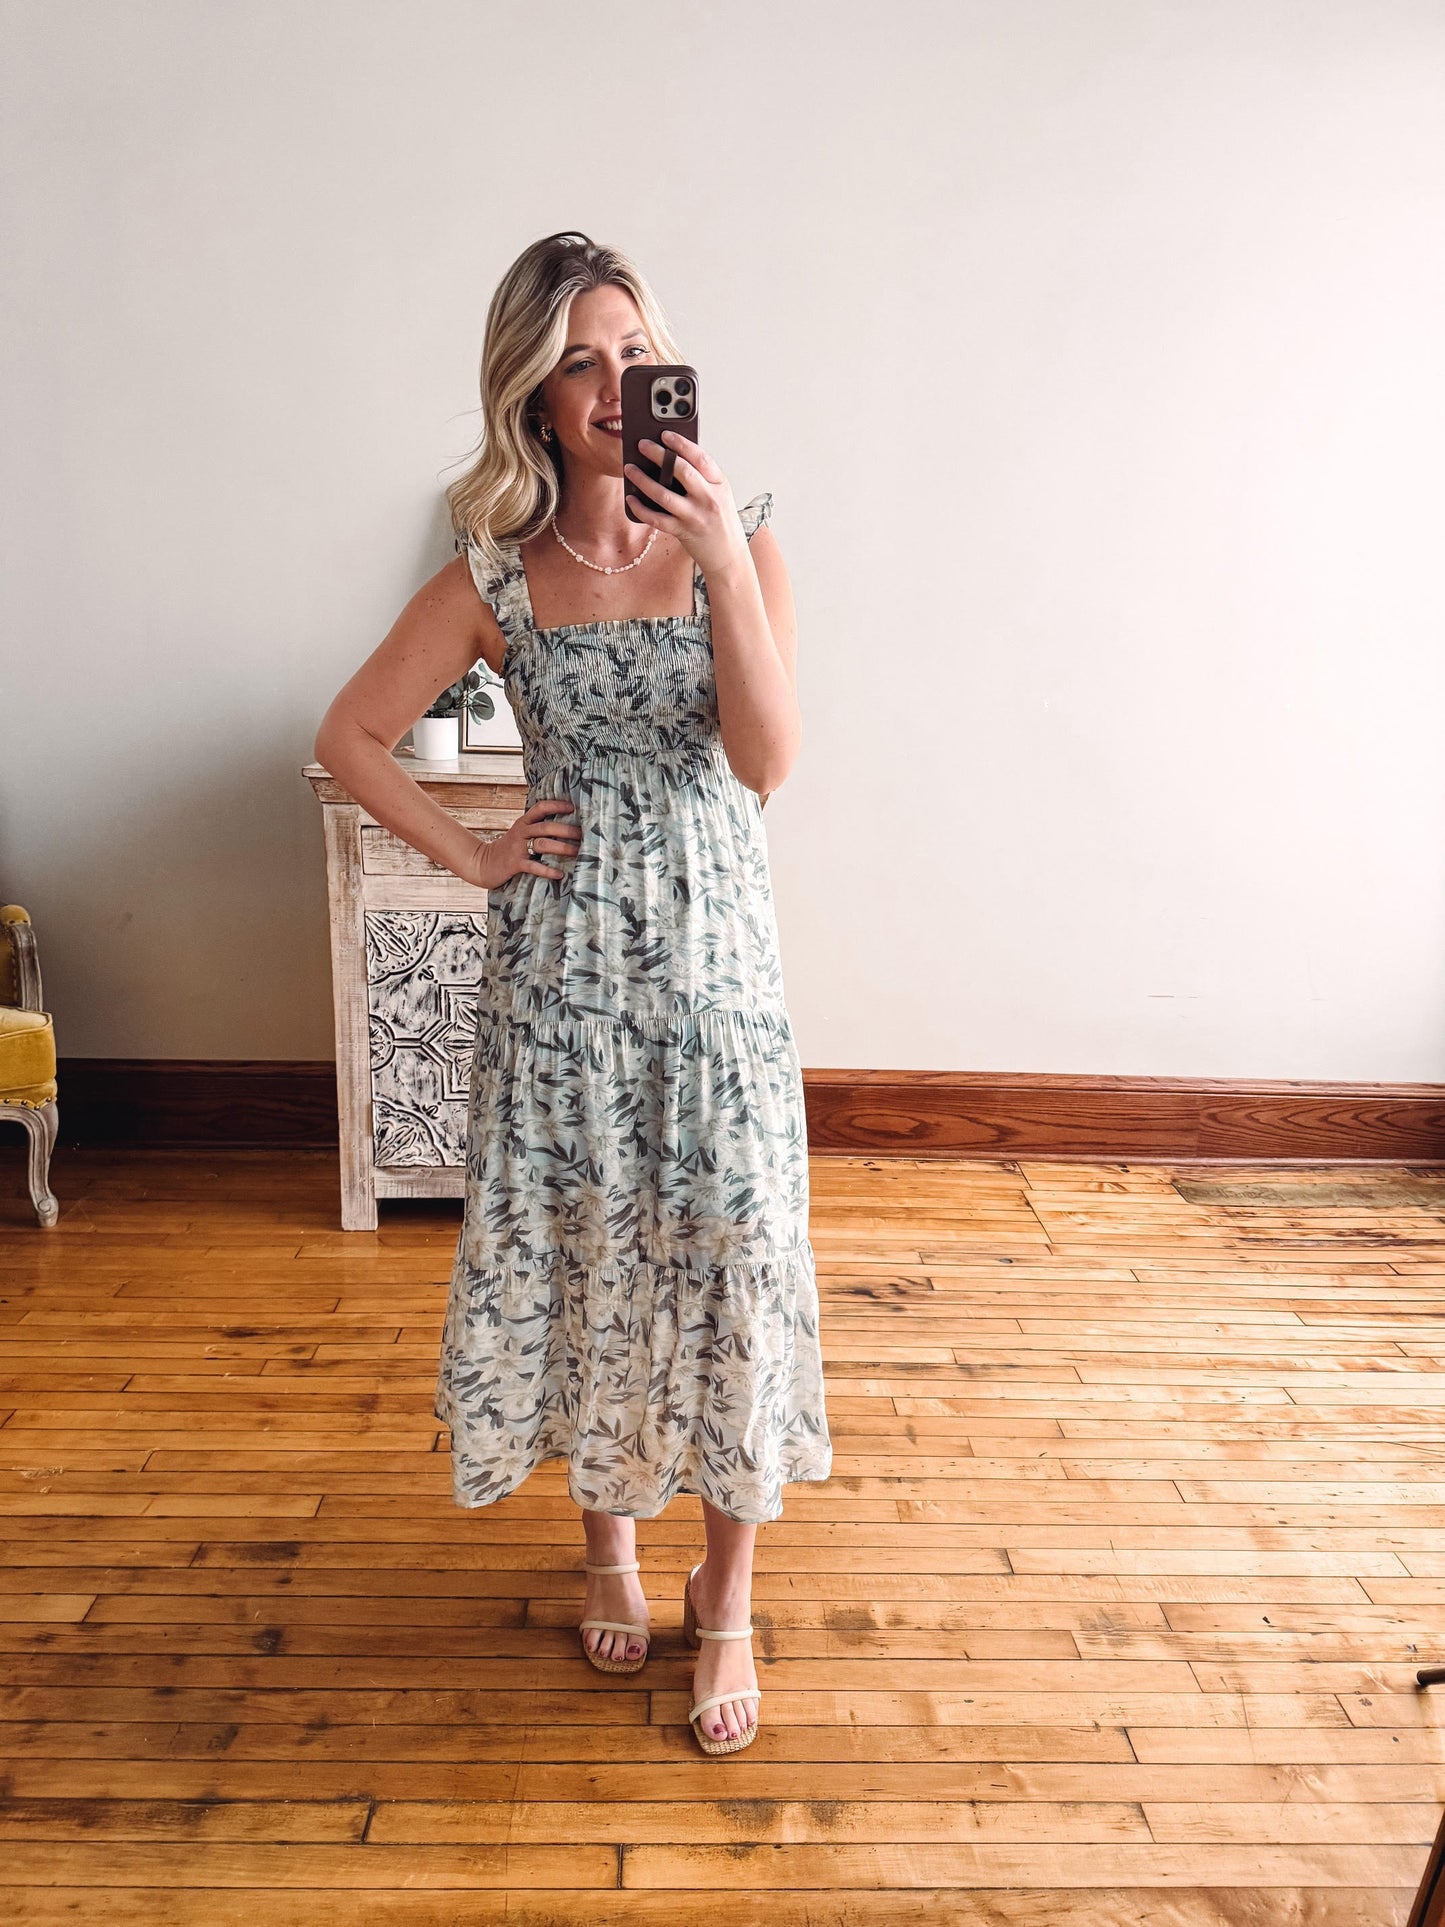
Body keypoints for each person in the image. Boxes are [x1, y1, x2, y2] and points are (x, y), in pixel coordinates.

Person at [314, 230, 832, 1757]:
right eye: (580, 362)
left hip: (718, 968)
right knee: (596, 1253)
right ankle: (604, 1541)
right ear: (532, 398)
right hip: (565, 979)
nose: (614, 385)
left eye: (632, 351)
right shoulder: (493, 577)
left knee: (734, 1258)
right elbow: (350, 736)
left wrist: (724, 559)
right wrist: (475, 857)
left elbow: (767, 761)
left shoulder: (743, 540)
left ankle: (725, 1601)